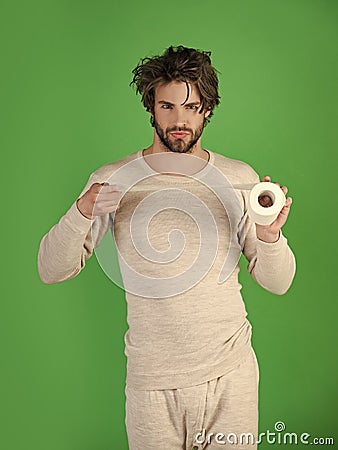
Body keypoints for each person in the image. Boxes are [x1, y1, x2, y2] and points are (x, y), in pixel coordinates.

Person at [38, 45, 296, 450]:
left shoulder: (238, 178)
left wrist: (269, 234)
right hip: (152, 382)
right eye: (167, 106)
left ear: (208, 109)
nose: (180, 121)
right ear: (151, 108)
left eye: (192, 107)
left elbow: (278, 282)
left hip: (231, 375)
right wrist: (82, 211)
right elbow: (51, 269)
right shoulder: (113, 180)